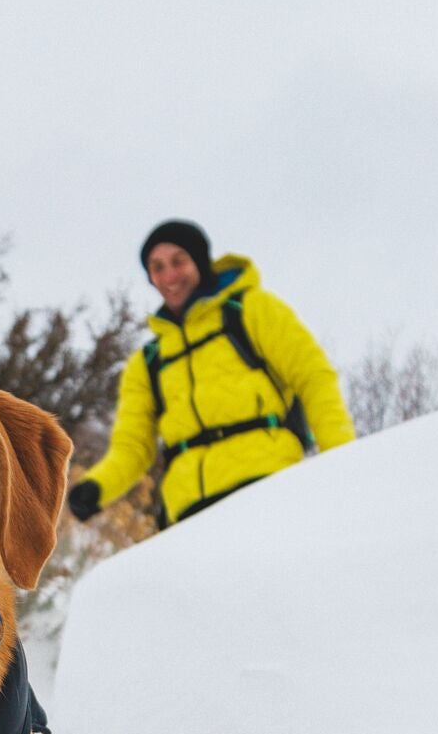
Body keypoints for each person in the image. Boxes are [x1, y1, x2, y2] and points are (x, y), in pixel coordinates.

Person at [68, 219, 354, 530]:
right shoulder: (148, 362)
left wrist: (340, 459)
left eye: (179, 261)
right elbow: (132, 447)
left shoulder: (252, 311)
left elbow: (313, 376)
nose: (169, 275)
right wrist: (96, 487)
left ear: (200, 262)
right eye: (157, 267)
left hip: (267, 487)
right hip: (189, 514)